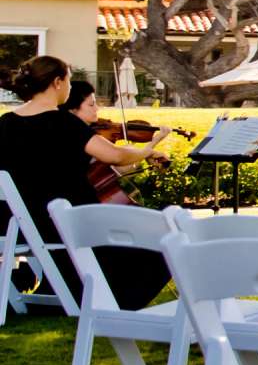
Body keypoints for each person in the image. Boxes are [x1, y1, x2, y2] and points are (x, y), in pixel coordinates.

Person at [0, 55, 170, 306]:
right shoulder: (63, 122)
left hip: (18, 223)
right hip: (70, 223)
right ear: (57, 82)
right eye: (68, 81)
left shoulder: (5, 123)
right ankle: (117, 300)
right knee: (163, 231)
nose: (69, 87)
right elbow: (115, 155)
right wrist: (147, 149)